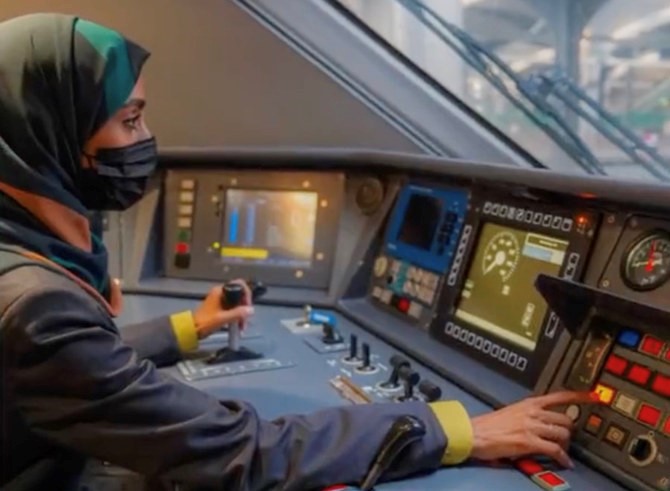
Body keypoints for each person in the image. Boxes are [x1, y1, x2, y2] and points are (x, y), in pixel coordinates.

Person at [0, 12, 596, 491]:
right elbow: (240, 451)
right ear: (47, 130)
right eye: (130, 121)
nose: (147, 140)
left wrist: (189, 327)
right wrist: (453, 431)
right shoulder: (36, 306)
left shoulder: (26, 253)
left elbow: (77, 366)